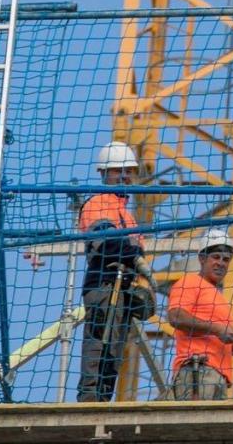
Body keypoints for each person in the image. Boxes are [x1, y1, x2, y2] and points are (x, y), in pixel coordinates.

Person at [76, 141, 154, 402]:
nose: (124, 176)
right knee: (98, 344)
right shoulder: (97, 203)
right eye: (116, 170)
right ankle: (89, 401)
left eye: (128, 171)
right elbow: (107, 241)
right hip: (104, 283)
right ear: (103, 173)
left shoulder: (127, 216)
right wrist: (136, 259)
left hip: (122, 289)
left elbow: (133, 248)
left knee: (114, 352)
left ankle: (102, 401)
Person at [167, 228, 233, 400]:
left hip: (219, 377)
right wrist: (217, 329)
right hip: (197, 370)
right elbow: (176, 317)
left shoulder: (220, 298)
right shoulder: (190, 282)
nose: (221, 263)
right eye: (216, 257)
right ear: (202, 259)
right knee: (195, 423)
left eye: (226, 259)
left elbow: (225, 346)